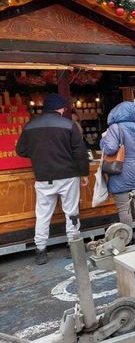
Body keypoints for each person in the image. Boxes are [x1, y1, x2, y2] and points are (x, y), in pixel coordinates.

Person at [16, 94, 89, 265]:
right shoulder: (69, 125)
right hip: (68, 176)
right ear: (60, 108)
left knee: (42, 215)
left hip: (43, 177)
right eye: (64, 108)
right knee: (71, 211)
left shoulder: (30, 125)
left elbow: (21, 150)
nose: (64, 110)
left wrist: (37, 154)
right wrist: (84, 173)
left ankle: (40, 250)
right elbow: (79, 152)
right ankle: (73, 245)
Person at [100, 101, 135, 227]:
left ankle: (129, 238)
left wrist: (103, 139)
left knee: (124, 208)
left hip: (120, 173)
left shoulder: (115, 128)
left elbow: (110, 149)